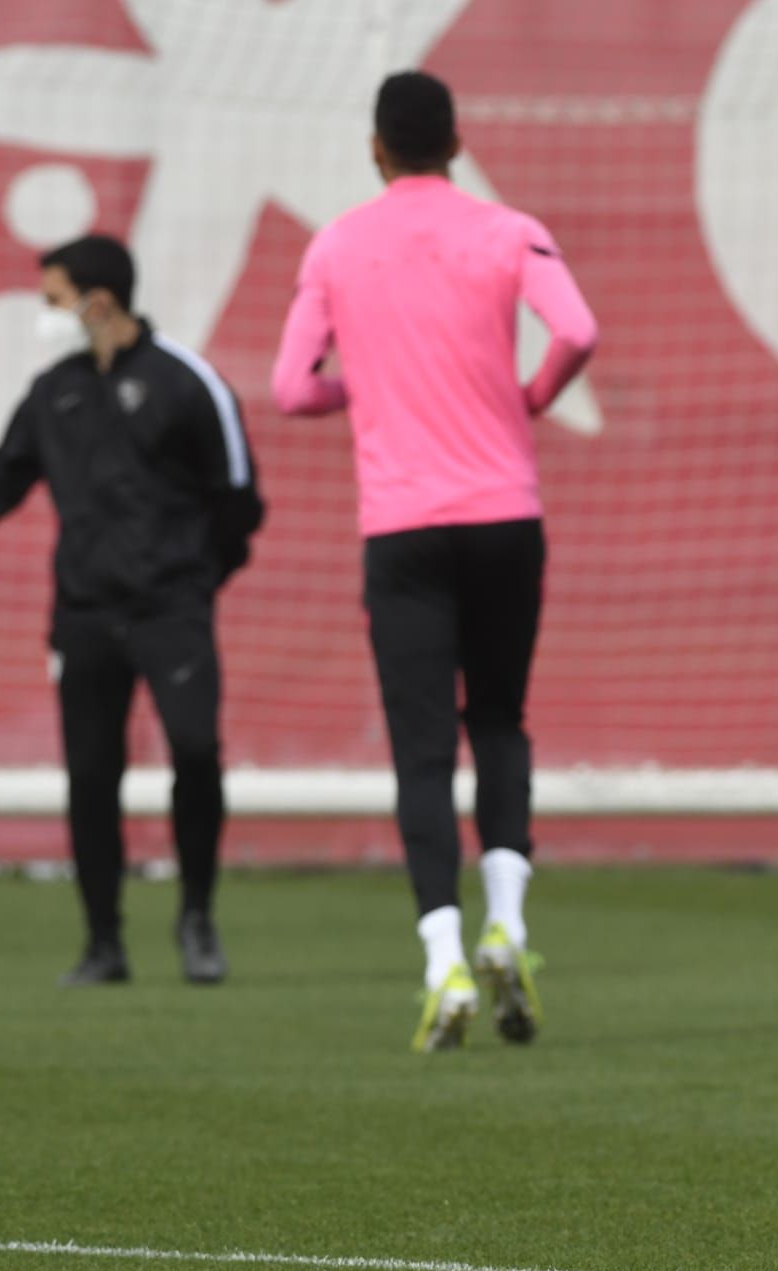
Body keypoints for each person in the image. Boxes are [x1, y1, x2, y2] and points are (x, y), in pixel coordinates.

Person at [271, 70, 597, 1052]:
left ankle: (443, 959)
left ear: (377, 149)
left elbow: (292, 388)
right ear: (455, 143)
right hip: (503, 517)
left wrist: (364, 388)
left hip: (402, 529)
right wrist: (528, 395)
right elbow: (577, 330)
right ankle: (510, 925)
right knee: (497, 720)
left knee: (420, 749)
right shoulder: (507, 229)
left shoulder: (337, 244)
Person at [0, 234, 261, 988]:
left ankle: (196, 917)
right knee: (91, 774)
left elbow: (238, 499)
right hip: (85, 615)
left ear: (97, 303)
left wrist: (194, 580)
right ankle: (103, 942)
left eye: (54, 301)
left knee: (195, 750)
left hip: (172, 611)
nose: (45, 316)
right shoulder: (53, 393)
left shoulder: (185, 382)